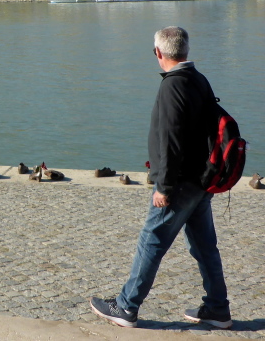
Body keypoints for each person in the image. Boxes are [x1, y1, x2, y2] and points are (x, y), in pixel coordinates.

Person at [90, 27, 232, 329]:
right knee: (205, 247)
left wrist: (164, 187)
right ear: (185, 50)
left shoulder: (172, 86)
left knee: (151, 241)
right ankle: (218, 309)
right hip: (201, 179)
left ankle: (126, 307)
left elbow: (170, 141)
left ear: (158, 52)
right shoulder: (198, 79)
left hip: (179, 183)